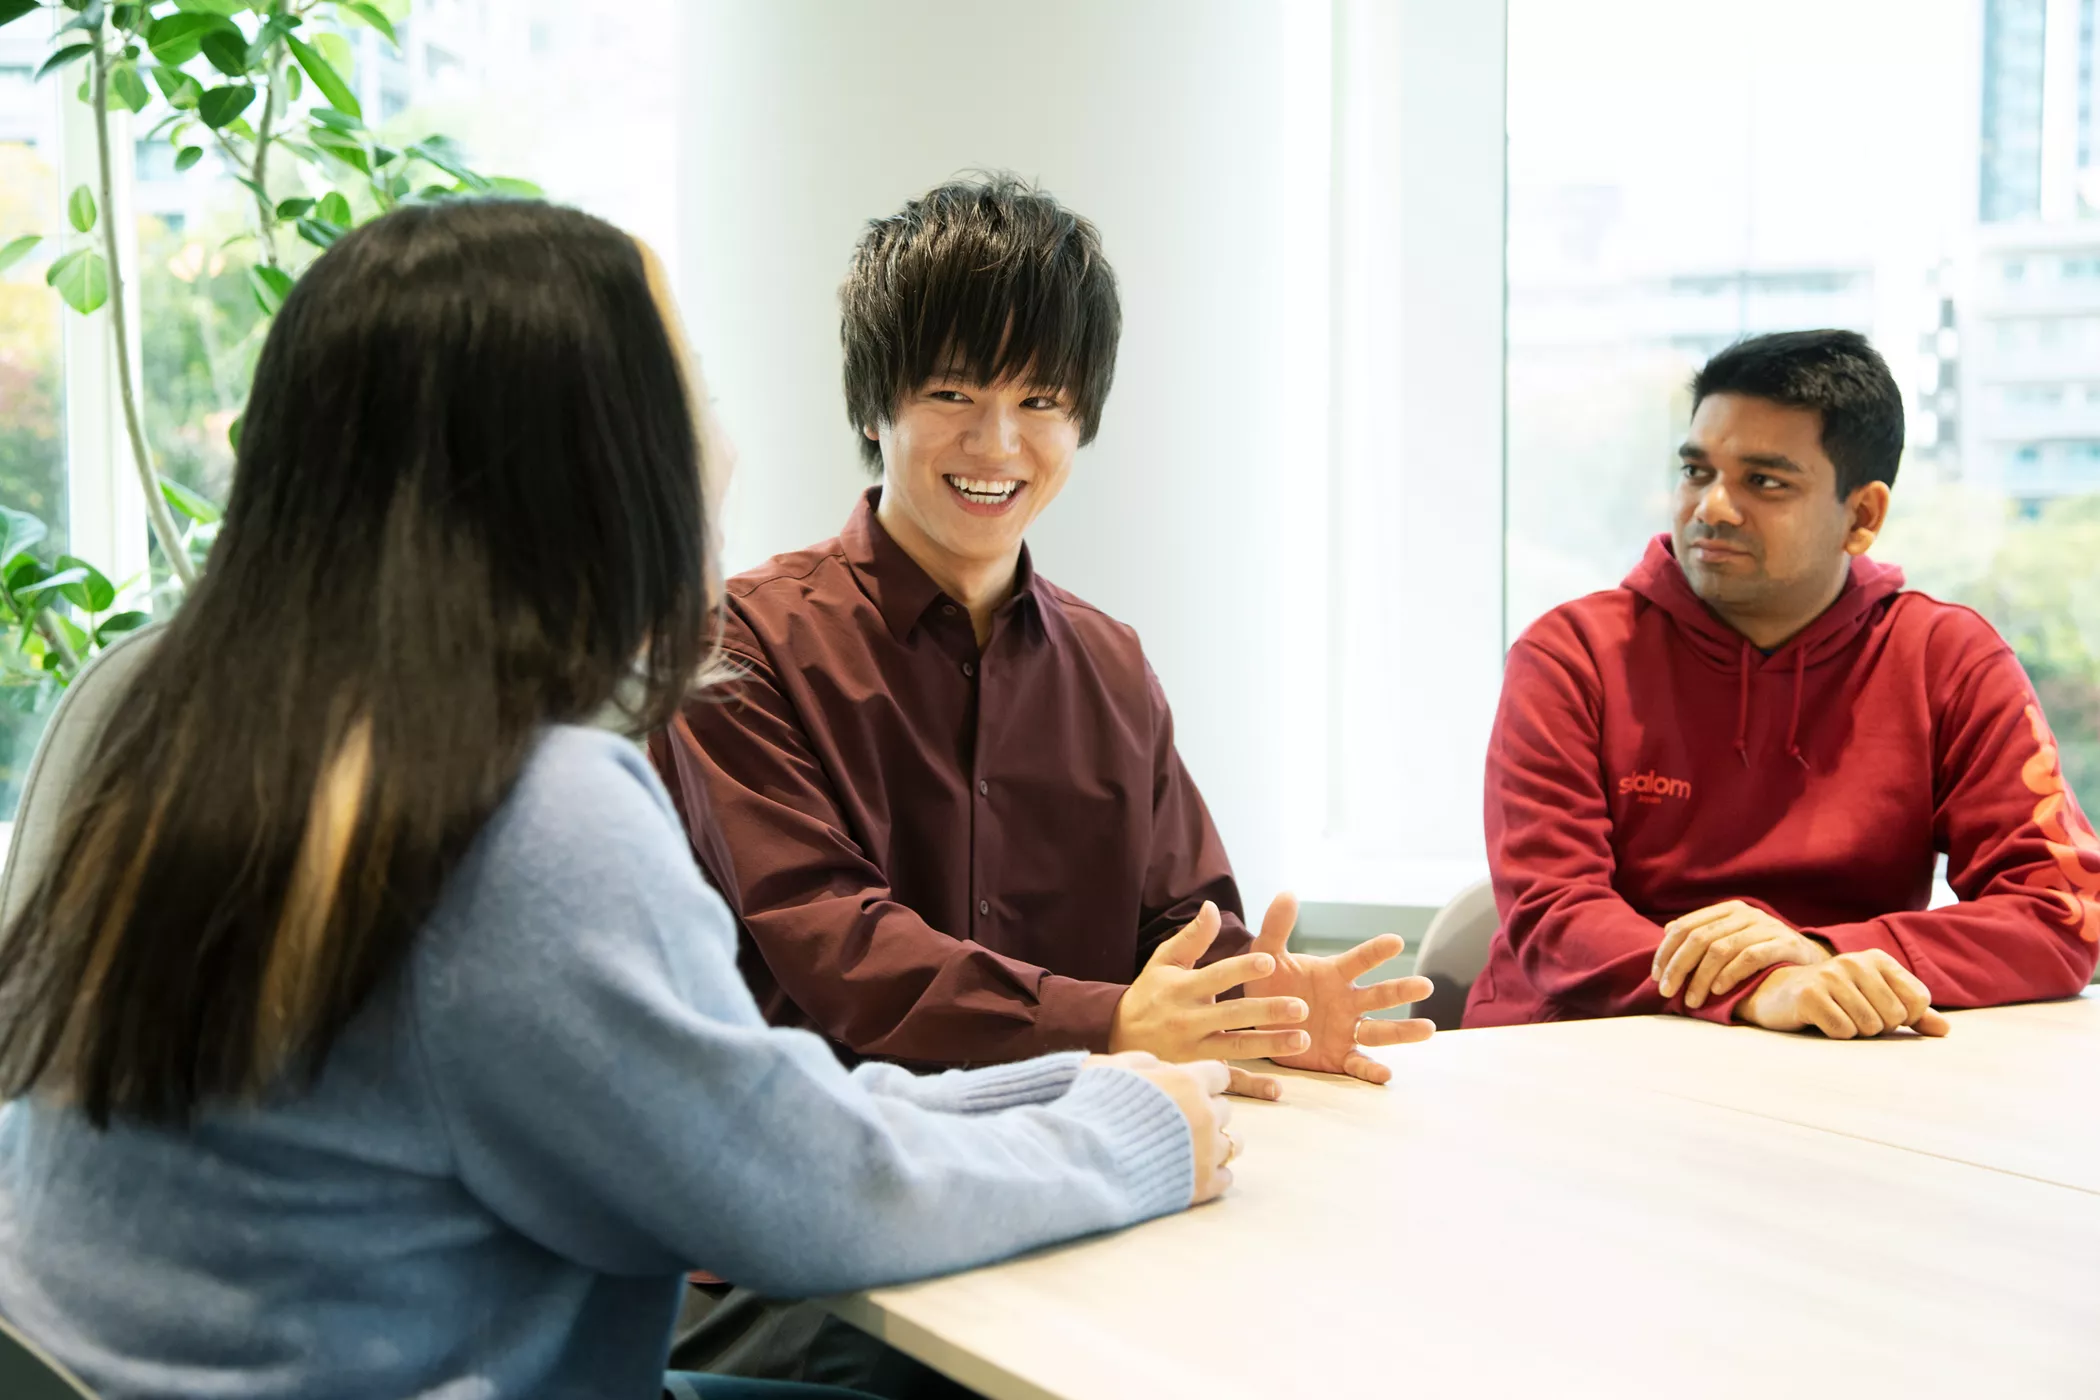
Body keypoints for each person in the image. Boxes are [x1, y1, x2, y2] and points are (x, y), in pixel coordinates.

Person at [0, 199, 1246, 1400]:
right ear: (576, 456)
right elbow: (805, 1188)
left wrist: (1086, 1078)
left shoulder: (163, 723)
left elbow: (754, 1104)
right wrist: (1129, 1132)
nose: (725, 443)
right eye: (686, 385)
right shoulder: (528, 809)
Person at [651, 174, 1431, 1088]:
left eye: (1041, 402)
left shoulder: (1112, 664)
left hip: (1099, 1152)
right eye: (951, 394)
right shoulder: (741, 645)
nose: (996, 444)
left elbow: (1182, 928)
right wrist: (1107, 1022)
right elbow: (835, 944)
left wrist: (1261, 1004)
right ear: (874, 406)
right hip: (846, 1166)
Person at [1467, 329, 2100, 1037]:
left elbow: (2062, 912)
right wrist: (1761, 987)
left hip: (1829, 1055)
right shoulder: (1570, 654)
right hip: (1574, 1051)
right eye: (1697, 471)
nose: (1713, 508)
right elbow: (1556, 914)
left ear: (1862, 517)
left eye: (1764, 482)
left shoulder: (1946, 659)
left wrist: (1824, 956)